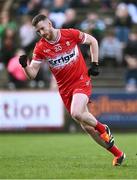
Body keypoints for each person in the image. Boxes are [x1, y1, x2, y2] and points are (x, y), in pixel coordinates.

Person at [19, 14, 125, 166]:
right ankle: (118, 154)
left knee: (77, 113)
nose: (42, 33)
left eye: (42, 28)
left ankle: (103, 128)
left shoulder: (70, 34)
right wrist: (25, 66)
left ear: (49, 23)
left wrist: (95, 64)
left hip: (81, 81)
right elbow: (32, 74)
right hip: (65, 89)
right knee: (86, 126)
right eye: (38, 31)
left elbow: (93, 41)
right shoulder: (41, 47)